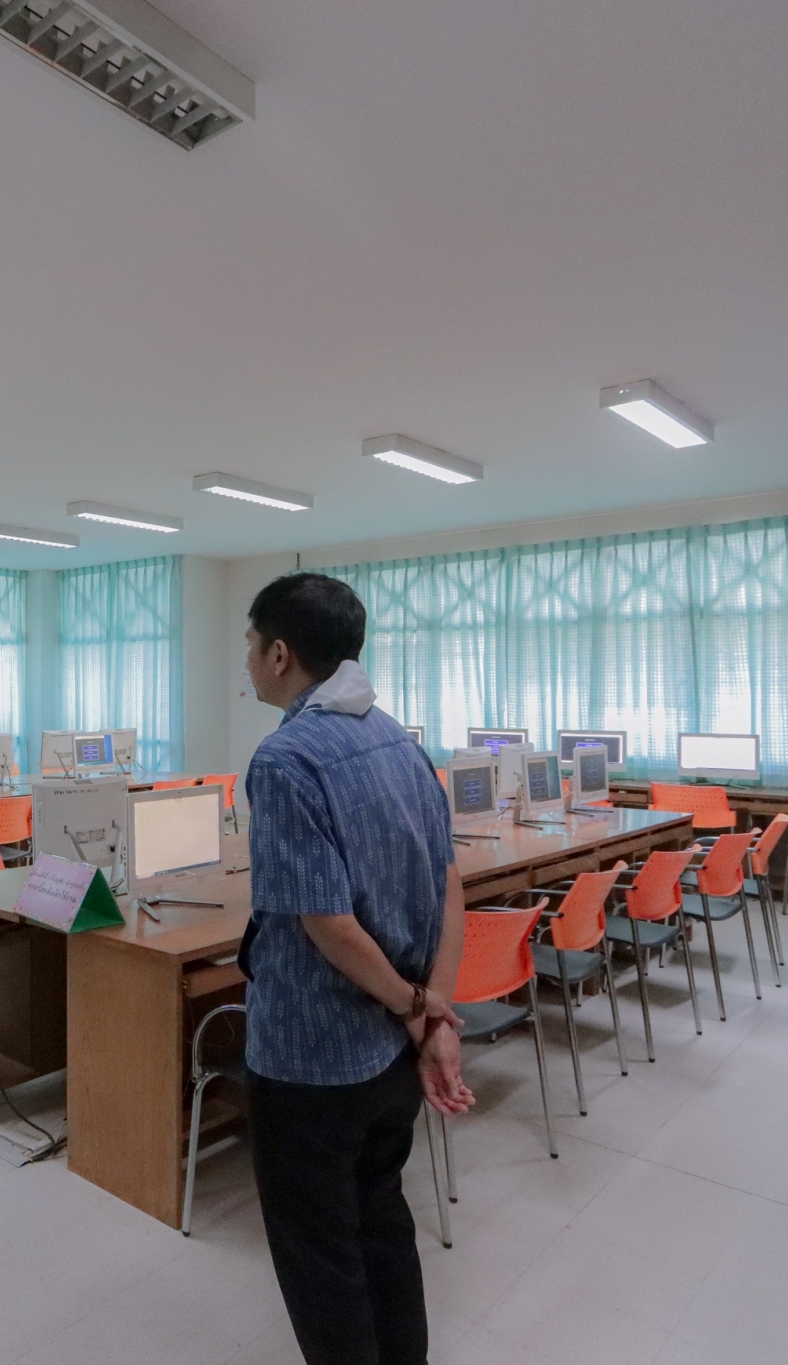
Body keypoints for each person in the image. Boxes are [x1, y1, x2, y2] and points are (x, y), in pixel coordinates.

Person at [238, 572, 476, 1365]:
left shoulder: (285, 759)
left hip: (311, 1062)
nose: (247, 659)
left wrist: (416, 1003)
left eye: (250, 643)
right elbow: (449, 883)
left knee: (322, 1261)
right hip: (390, 1058)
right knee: (381, 1224)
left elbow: (328, 924)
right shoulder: (401, 741)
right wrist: (431, 1014)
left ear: (280, 653)